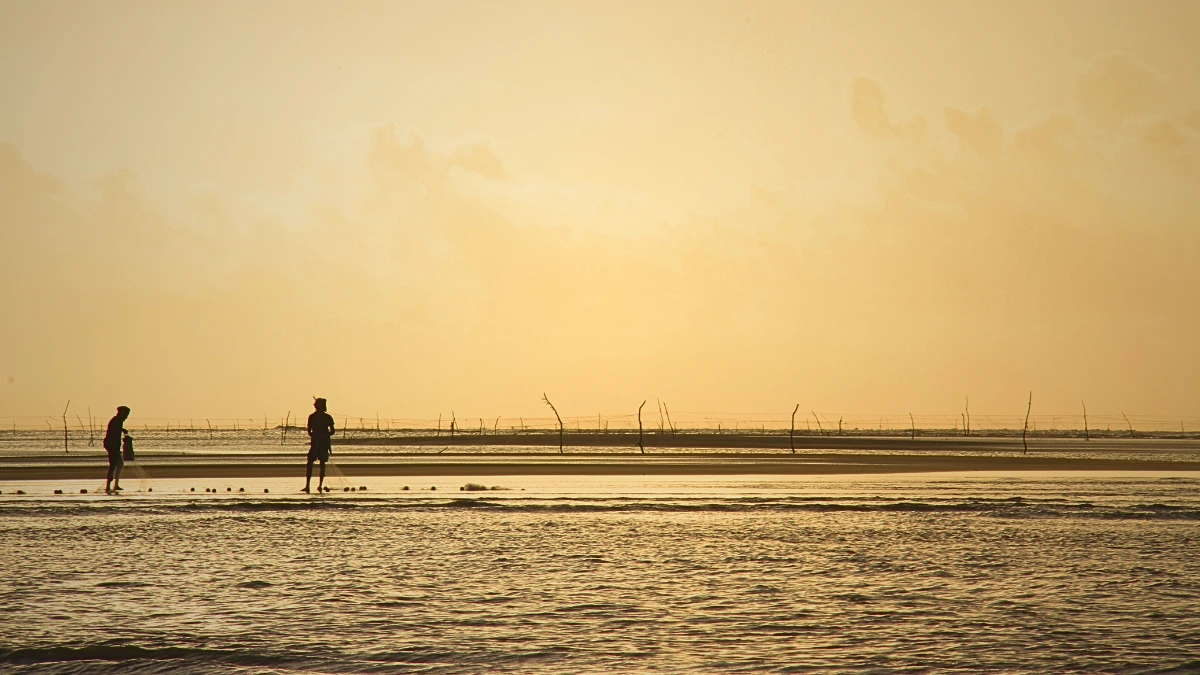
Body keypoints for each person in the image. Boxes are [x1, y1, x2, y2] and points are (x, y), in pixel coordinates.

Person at [304, 398, 335, 493]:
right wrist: (314, 436)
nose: (315, 405)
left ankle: (320, 485)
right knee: (309, 462)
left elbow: (332, 431)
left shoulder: (328, 417)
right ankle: (307, 486)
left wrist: (324, 436)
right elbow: (309, 431)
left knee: (322, 464)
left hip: (324, 444)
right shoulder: (311, 417)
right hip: (315, 443)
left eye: (317, 404)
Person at [103, 406, 130, 494]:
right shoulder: (117, 421)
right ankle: (108, 486)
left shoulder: (118, 421)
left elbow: (116, 431)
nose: (126, 417)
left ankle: (115, 485)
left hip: (113, 445)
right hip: (111, 445)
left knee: (120, 464)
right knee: (113, 465)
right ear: (120, 413)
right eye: (125, 414)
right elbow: (113, 435)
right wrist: (116, 448)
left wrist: (122, 430)